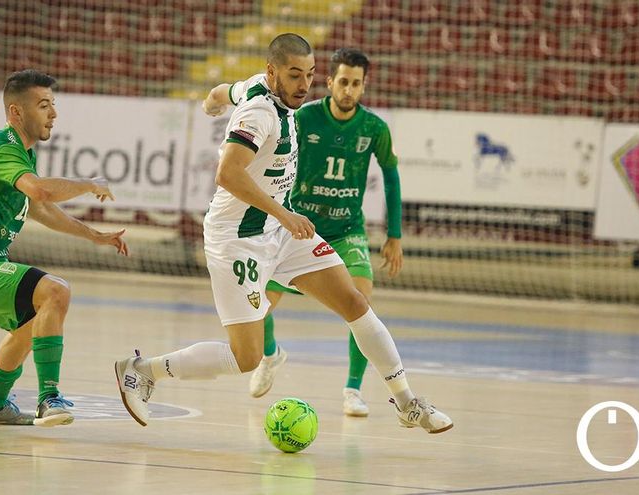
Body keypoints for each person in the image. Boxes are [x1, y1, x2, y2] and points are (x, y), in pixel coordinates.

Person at [115, 34, 453, 434]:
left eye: (309, 75)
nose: (303, 85)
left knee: (355, 302)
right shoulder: (258, 113)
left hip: (279, 228)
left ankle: (407, 402)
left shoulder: (257, 84)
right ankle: (142, 371)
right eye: (295, 75)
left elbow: (225, 90)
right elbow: (227, 174)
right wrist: (284, 212)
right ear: (274, 72)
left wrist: (211, 101)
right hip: (237, 238)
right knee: (246, 357)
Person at [0, 69, 128, 426]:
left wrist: (94, 236)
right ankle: (49, 399)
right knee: (56, 292)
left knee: (34, 324)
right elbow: (39, 191)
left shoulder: (19, 151)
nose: (53, 113)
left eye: (53, 104)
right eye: (44, 105)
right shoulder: (4, 150)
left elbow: (39, 208)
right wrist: (89, 184)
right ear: (16, 113)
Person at [249, 48, 403, 418]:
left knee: (360, 301)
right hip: (300, 225)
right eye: (343, 81)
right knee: (256, 303)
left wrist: (394, 234)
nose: (349, 90)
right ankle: (270, 355)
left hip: (347, 229)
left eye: (356, 84)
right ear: (330, 81)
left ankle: (352, 389)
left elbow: (391, 175)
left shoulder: (374, 128)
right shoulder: (304, 118)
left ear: (364, 87)